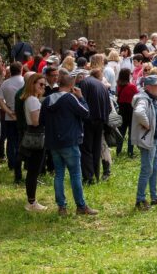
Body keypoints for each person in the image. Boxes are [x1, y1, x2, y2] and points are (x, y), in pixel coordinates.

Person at [41, 68, 97, 216]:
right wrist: (81, 98)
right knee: (75, 174)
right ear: (72, 86)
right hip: (69, 141)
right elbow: (85, 113)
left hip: (53, 142)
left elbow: (41, 120)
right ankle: (81, 206)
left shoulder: (48, 99)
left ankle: (62, 207)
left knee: (59, 174)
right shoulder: (70, 98)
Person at [132, 74, 157, 210]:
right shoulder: (143, 99)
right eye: (156, 85)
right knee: (147, 169)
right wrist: (147, 124)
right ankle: (140, 200)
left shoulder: (152, 98)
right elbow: (139, 112)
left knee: (155, 167)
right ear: (148, 87)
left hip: (156, 138)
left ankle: (154, 196)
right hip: (149, 139)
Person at [77, 61, 111, 184]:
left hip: (88, 121)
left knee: (86, 149)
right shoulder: (102, 85)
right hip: (101, 120)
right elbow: (109, 106)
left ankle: (88, 177)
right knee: (96, 149)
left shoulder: (84, 83)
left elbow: (81, 103)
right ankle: (95, 175)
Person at [19, 72, 48, 212]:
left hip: (33, 135)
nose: (43, 87)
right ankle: (32, 202)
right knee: (33, 170)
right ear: (33, 84)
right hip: (36, 137)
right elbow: (36, 121)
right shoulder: (33, 100)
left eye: (45, 84)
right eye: (40, 84)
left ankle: (32, 201)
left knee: (33, 170)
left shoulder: (31, 99)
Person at [0, 61, 26, 183]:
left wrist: (8, 111)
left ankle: (12, 163)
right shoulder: (25, 81)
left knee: (11, 141)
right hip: (23, 116)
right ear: (21, 70)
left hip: (10, 116)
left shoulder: (5, 83)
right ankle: (23, 163)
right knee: (23, 140)